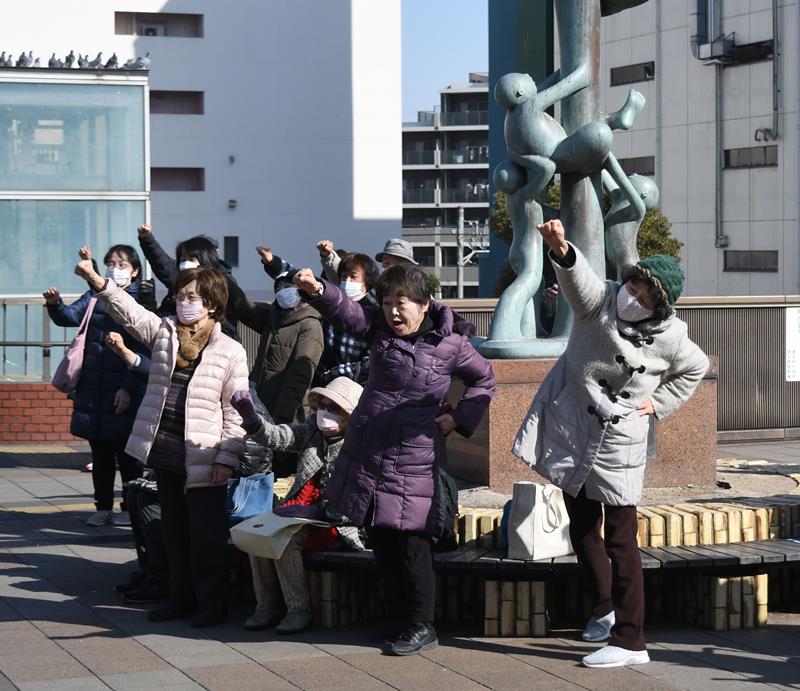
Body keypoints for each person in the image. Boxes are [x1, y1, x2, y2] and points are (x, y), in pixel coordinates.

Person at [513, 219, 709, 669]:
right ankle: (604, 608)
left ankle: (631, 639)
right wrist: (561, 249)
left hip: (620, 436)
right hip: (575, 425)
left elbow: (695, 368)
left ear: (660, 307)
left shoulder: (673, 337)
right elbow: (577, 279)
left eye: (646, 297)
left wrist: (656, 405)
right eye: (636, 285)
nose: (635, 297)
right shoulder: (600, 301)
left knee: (622, 539)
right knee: (580, 523)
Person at [293, 263, 496, 656]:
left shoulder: (451, 342)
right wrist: (319, 289)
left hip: (414, 456)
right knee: (382, 539)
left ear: (424, 304)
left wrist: (457, 418)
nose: (393, 313)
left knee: (411, 544)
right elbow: (349, 315)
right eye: (387, 303)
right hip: (369, 450)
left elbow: (484, 379)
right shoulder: (381, 331)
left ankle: (423, 625)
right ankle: (399, 619)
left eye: (401, 304)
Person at [73, 257, 249, 628]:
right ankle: (178, 598)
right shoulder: (165, 332)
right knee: (173, 532)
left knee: (205, 538)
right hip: (166, 450)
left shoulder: (230, 350)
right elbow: (130, 312)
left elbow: (236, 411)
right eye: (181, 295)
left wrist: (227, 457)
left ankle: (210, 605)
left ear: (212, 304)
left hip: (204, 456)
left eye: (192, 297)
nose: (183, 302)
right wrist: (95, 280)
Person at [232, 377, 366, 634]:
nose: (324, 413)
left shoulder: (359, 447)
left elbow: (350, 504)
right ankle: (265, 606)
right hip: (299, 512)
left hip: (337, 523)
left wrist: (310, 513)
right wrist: (252, 419)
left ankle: (298, 609)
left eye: (334, 408)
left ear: (351, 414)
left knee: (284, 538)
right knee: (255, 531)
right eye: (322, 406)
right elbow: (280, 436)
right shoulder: (313, 433)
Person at [44, 245, 151, 526]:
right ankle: (103, 507)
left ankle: (131, 507)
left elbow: (144, 348)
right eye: (110, 262)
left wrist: (128, 387)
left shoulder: (142, 302)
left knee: (129, 456)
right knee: (101, 454)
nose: (114, 267)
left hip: (126, 385)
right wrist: (54, 304)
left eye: (122, 263)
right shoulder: (94, 296)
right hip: (94, 387)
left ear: (135, 270)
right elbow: (69, 317)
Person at [228, 268, 324, 475]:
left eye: (288, 287)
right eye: (279, 288)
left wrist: (282, 419)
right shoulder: (274, 318)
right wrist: (222, 276)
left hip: (287, 415)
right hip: (262, 408)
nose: (283, 291)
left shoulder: (310, 325)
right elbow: (245, 308)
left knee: (282, 472)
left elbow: (299, 378)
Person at [136, 224, 241, 340]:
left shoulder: (224, 283)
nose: (185, 264)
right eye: (182, 259)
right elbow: (162, 263)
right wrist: (147, 240)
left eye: (191, 259)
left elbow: (230, 323)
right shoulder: (180, 280)